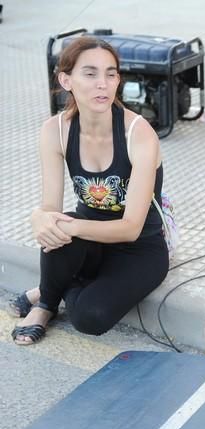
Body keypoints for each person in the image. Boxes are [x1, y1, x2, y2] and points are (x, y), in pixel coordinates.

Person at [8, 36, 168, 344]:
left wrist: (63, 222)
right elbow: (50, 206)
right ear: (66, 80)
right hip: (86, 244)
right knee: (56, 227)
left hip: (140, 249)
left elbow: (131, 228)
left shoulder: (139, 133)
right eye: (90, 73)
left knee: (89, 318)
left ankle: (50, 287)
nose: (103, 84)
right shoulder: (54, 130)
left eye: (111, 74)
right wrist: (38, 216)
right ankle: (46, 305)